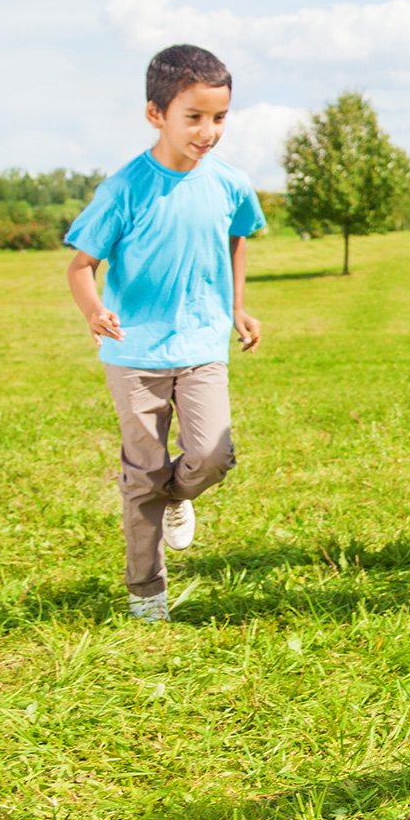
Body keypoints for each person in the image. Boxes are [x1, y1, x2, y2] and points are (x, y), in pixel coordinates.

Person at [65, 44, 265, 623]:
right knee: (143, 472)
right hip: (134, 352)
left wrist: (237, 307)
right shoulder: (124, 188)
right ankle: (146, 593)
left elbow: (237, 237)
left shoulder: (230, 183)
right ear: (156, 114)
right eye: (194, 117)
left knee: (212, 454)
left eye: (219, 117)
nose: (209, 131)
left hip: (202, 346)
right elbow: (81, 266)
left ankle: (174, 499)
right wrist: (92, 311)